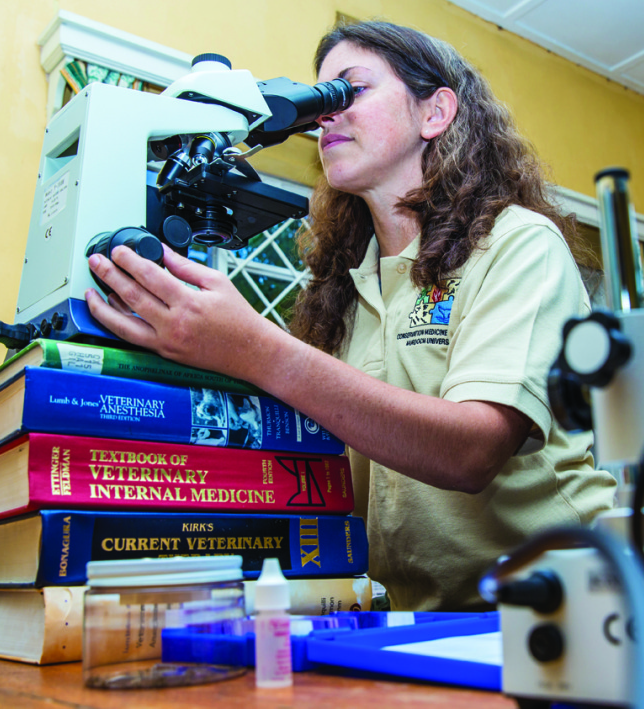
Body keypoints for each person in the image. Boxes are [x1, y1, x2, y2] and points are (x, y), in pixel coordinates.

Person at [86, 20, 616, 611]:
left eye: (350, 90)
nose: (323, 116)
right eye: (319, 100)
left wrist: (256, 349)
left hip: (562, 607)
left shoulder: (519, 245)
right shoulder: (342, 286)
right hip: (407, 618)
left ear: (434, 113)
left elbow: (473, 451)